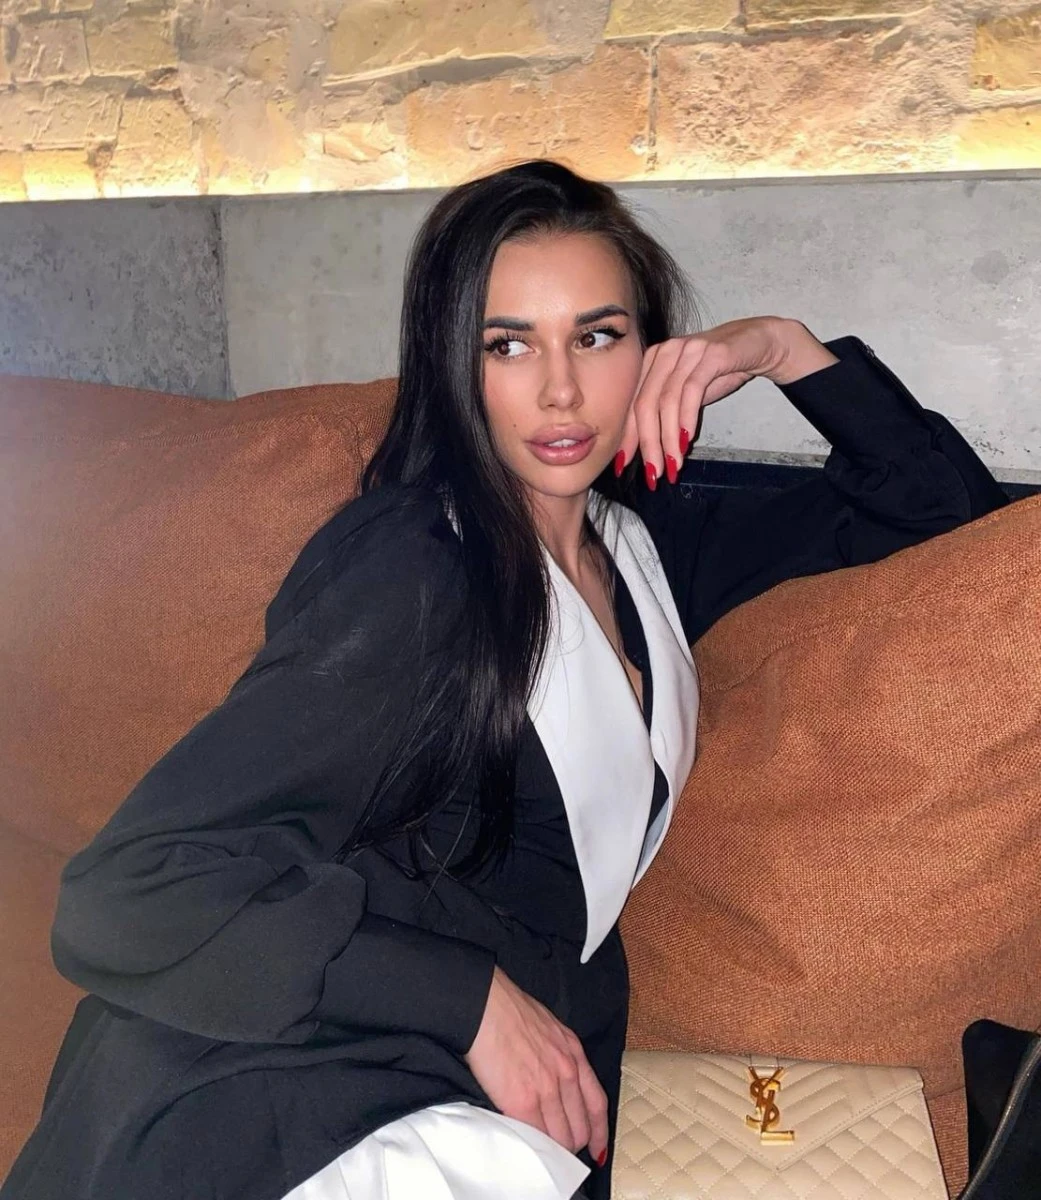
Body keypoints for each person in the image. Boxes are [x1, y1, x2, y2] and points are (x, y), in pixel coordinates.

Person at [2, 160, 1007, 1200]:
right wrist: (472, 1002)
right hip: (300, 1084)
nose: (560, 390)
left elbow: (947, 519)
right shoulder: (415, 569)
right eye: (509, 345)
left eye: (597, 337)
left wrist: (779, 348)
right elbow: (133, 889)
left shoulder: (647, 549)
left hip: (470, 1081)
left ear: (650, 351)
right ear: (454, 363)